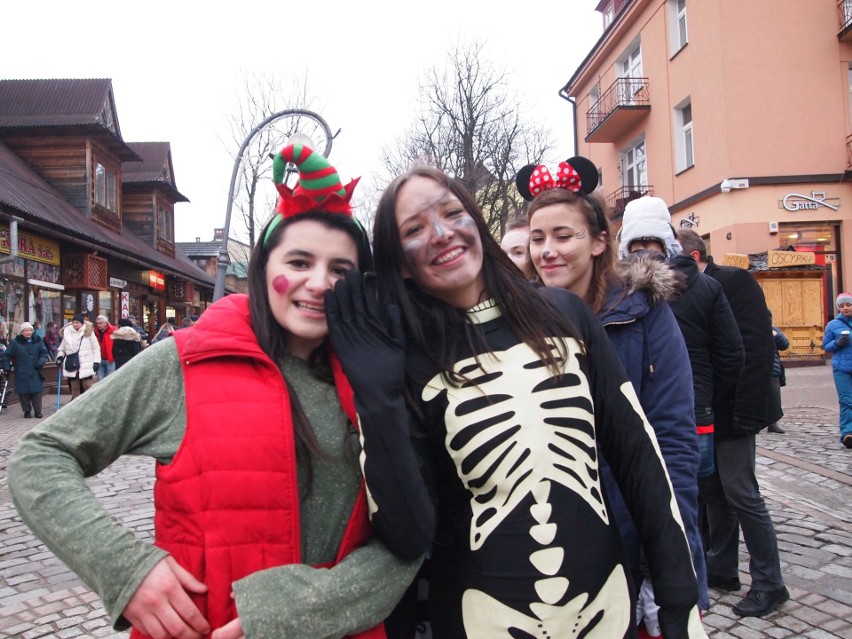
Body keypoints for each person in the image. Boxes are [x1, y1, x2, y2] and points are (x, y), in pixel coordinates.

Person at [9, 143, 419, 639]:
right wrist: (125, 569)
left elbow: (407, 540)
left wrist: (297, 611)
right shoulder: (186, 362)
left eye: (339, 271)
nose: (319, 283)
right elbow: (40, 455)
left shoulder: (376, 380)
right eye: (300, 261)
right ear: (265, 269)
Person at [327, 164, 707, 638]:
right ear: (399, 261)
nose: (442, 233)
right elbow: (408, 533)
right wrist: (378, 398)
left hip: (605, 607)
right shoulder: (410, 362)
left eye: (452, 212)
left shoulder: (564, 314)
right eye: (415, 229)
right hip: (481, 619)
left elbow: (641, 462)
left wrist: (678, 598)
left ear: (478, 225)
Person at [521, 173, 706, 636]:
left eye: (564, 236)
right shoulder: (517, 321)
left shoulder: (643, 314)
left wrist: (665, 565)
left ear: (600, 242)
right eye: (538, 238)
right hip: (549, 546)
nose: (548, 251)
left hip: (630, 534)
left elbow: (673, 443)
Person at [678, 231, 789, 618]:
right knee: (713, 495)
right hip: (707, 413)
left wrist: (747, 411)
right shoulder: (686, 292)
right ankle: (722, 569)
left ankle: (770, 584)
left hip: (736, 412)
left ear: (692, 254)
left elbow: (758, 349)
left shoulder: (733, 281)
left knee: (743, 494)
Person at [668, 229, 744, 482]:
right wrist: (708, 391)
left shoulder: (630, 288)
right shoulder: (710, 286)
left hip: (651, 406)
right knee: (699, 484)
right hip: (699, 400)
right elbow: (731, 353)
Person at [823, 292, 852, 448]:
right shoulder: (833, 325)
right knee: (847, 400)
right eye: (842, 306)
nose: (845, 308)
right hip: (842, 369)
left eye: (848, 305)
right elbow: (826, 346)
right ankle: (848, 433)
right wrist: (838, 343)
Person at [1, 321, 48, 418]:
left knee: (37, 392)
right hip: (21, 370)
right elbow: (6, 356)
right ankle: (27, 411)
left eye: (30, 330)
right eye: (26, 330)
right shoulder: (15, 343)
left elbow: (44, 353)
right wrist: (7, 368)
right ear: (22, 332)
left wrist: (40, 362)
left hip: (35, 370)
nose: (29, 332)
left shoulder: (38, 341)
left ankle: (37, 411)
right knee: (24, 393)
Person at [56, 315, 100, 400]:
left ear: (82, 323)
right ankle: (76, 408)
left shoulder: (89, 332)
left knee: (87, 386)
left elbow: (96, 348)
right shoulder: (67, 333)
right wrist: (60, 357)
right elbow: (62, 348)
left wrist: (96, 361)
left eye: (77, 322)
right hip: (72, 363)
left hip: (86, 363)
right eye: (73, 322)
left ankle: (90, 404)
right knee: (74, 389)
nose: (75, 324)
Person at [767, 322, 789, 434]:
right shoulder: (751, 327)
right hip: (755, 368)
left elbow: (784, 345)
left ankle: (773, 423)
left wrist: (776, 335)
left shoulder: (774, 330)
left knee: (774, 397)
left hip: (772, 368)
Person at [93, 314, 117, 379]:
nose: (99, 325)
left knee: (110, 379)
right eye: (97, 323)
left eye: (100, 323)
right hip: (99, 359)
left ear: (105, 323)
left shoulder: (114, 330)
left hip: (110, 359)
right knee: (100, 379)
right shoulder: (94, 332)